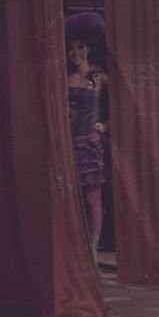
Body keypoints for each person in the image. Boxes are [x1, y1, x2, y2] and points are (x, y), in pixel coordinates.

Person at [66, 37, 109, 259]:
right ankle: (75, 251)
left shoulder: (95, 77)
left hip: (89, 144)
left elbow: (113, 104)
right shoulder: (64, 79)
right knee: (71, 199)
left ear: (88, 48)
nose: (75, 52)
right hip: (67, 144)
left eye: (80, 47)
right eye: (71, 48)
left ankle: (92, 251)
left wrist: (105, 124)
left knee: (93, 198)